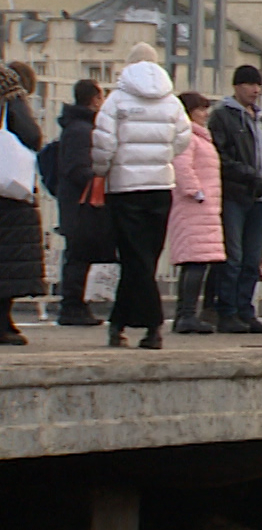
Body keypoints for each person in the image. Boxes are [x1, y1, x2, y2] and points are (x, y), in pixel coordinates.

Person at [92, 44, 191, 349]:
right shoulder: (172, 102)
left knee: (134, 258)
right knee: (145, 259)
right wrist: (160, 158)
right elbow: (182, 140)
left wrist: (103, 170)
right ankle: (121, 324)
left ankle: (151, 325)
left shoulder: (116, 100)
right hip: (160, 187)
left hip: (125, 189)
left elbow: (103, 144)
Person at [208, 64, 262, 334]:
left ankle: (245, 310)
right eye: (250, 84)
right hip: (235, 195)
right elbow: (220, 157)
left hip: (259, 198)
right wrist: (248, 175)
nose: (255, 90)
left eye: (258, 85)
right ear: (237, 87)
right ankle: (226, 311)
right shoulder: (223, 118)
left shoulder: (261, 120)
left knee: (251, 258)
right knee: (233, 256)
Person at [53, 79, 112, 328]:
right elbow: (77, 168)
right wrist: (99, 180)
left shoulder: (77, 126)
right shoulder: (80, 129)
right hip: (79, 203)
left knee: (80, 254)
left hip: (76, 202)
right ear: (95, 99)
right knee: (78, 255)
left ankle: (75, 304)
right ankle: (72, 306)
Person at [165, 92, 224, 335]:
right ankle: (186, 314)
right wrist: (195, 191)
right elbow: (181, 166)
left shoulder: (198, 137)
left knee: (197, 261)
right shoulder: (188, 136)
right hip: (195, 206)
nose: (205, 113)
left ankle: (185, 314)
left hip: (203, 207)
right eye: (201, 109)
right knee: (195, 262)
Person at [0, 63, 41, 346]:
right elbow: (31, 135)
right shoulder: (8, 86)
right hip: (5, 192)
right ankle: (3, 322)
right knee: (8, 255)